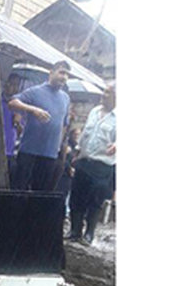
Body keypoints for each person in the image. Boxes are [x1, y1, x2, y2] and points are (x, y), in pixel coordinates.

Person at [8, 61, 73, 191]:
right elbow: (12, 103)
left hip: (50, 155)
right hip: (29, 152)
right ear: (51, 72)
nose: (64, 77)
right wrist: (33, 110)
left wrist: (59, 147)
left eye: (67, 75)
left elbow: (64, 125)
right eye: (61, 72)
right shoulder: (35, 91)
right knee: (19, 191)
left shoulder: (65, 98)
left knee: (41, 194)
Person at [67, 83, 117, 244]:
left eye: (108, 93)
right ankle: (75, 231)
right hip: (84, 161)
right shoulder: (95, 111)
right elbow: (85, 134)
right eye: (104, 91)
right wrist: (77, 151)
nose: (103, 95)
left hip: (102, 166)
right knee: (76, 197)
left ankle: (89, 234)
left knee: (95, 201)